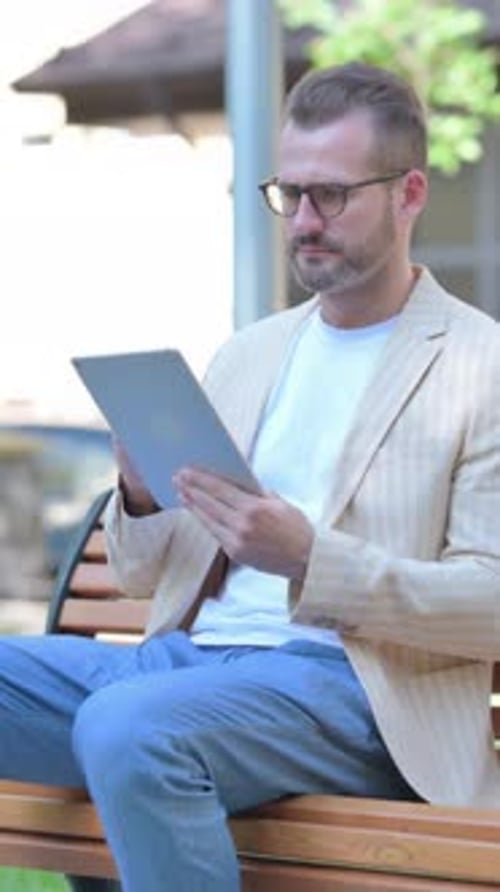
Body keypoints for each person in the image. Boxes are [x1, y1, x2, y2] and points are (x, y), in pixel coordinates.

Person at [1, 61, 500, 892]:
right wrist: (140, 498)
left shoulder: (482, 366)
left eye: (331, 195)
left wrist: (314, 559)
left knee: (133, 733)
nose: (303, 220)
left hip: (357, 694)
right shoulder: (250, 354)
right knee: (129, 721)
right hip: (182, 666)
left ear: (410, 194)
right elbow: (140, 573)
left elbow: (491, 604)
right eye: (289, 192)